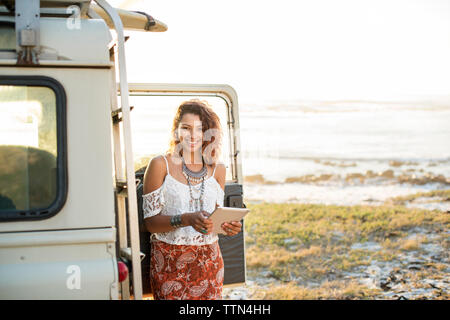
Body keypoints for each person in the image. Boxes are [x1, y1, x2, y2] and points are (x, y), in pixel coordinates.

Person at [142, 99, 242, 300]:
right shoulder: (160, 165)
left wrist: (228, 226)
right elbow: (151, 223)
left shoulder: (218, 169)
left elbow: (214, 219)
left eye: (200, 129)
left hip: (210, 262)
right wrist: (186, 219)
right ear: (176, 130)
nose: (193, 135)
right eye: (186, 128)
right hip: (169, 264)